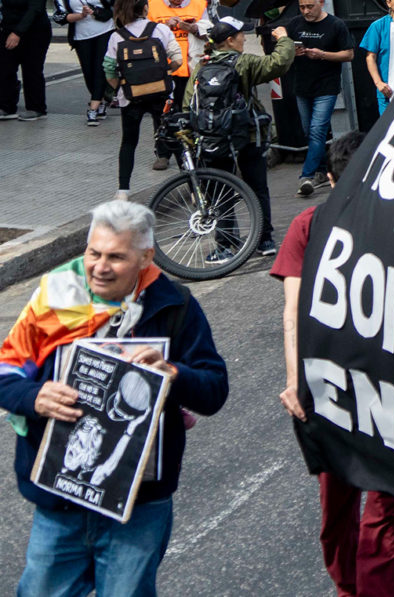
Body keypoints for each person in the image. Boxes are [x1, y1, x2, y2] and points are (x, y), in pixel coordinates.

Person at [0, 200, 228, 597]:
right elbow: (6, 370)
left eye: (116, 257)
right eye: (93, 253)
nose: (99, 267)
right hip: (60, 502)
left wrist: (174, 373)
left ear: (145, 257)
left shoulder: (175, 305)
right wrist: (32, 396)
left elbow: (214, 390)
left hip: (138, 508)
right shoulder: (58, 292)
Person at [271, 132, 394, 596]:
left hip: (387, 388)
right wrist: (295, 381)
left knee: (385, 508)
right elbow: (293, 309)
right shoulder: (309, 227)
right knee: (339, 506)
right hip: (331, 388)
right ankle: (349, 588)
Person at [184, 16, 296, 254]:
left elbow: (189, 106)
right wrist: (284, 40)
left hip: (214, 139)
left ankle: (225, 245)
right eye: (241, 35)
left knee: (220, 191)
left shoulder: (201, 67)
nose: (245, 38)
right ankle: (264, 239)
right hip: (248, 135)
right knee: (257, 187)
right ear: (230, 40)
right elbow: (277, 64)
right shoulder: (243, 63)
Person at [103, 0, 182, 200]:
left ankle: (123, 190)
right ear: (145, 8)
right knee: (174, 138)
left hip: (130, 97)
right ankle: (192, 188)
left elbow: (109, 70)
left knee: (129, 141)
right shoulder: (161, 30)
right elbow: (178, 60)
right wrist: (164, 72)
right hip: (161, 94)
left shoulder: (116, 36)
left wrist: (120, 87)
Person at [287, 0, 353, 197]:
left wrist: (323, 54)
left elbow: (349, 54)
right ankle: (325, 171)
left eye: (310, 6)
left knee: (317, 129)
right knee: (310, 131)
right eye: (302, 7)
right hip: (302, 85)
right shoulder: (295, 24)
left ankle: (306, 176)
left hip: (326, 86)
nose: (306, 11)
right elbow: (281, 50)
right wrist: (292, 53)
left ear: (321, 2)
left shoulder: (335, 25)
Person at [146, 0, 210, 169]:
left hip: (190, 70)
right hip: (163, 69)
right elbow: (143, 32)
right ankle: (163, 153)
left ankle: (187, 153)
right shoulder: (153, 5)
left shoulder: (199, 4)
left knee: (188, 113)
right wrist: (164, 25)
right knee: (162, 114)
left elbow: (209, 33)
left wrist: (193, 28)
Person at [54, 0, 117, 125]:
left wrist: (96, 11)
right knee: (88, 72)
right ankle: (101, 100)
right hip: (81, 36)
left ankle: (93, 108)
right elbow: (59, 16)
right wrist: (79, 16)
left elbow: (116, 1)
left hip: (104, 30)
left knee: (99, 69)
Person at [1, 0, 52, 121]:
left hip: (34, 32)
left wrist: (17, 33)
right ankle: (7, 106)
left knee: (32, 70)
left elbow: (34, 9)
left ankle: (36, 107)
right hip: (9, 27)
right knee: (6, 67)